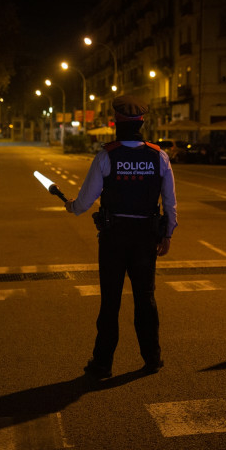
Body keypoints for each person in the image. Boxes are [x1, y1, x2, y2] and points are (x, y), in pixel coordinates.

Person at [64, 95, 178, 378]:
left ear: (117, 124)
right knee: (145, 298)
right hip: (145, 238)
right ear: (142, 122)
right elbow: (170, 202)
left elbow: (85, 200)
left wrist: (71, 206)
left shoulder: (106, 155)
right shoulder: (158, 156)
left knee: (110, 301)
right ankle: (152, 358)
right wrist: (168, 234)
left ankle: (103, 364)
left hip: (114, 238)